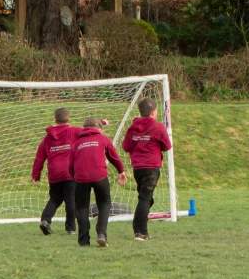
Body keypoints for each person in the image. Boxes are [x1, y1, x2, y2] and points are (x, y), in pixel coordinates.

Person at [71, 116, 125, 248]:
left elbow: (70, 164)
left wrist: (75, 177)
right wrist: (121, 171)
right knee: (104, 203)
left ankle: (84, 240)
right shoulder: (102, 138)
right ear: (100, 129)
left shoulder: (77, 143)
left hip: (81, 178)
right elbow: (113, 156)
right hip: (100, 176)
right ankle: (101, 234)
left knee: (82, 207)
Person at [124, 99, 174, 241]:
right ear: (153, 112)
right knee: (145, 198)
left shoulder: (132, 128)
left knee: (146, 198)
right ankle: (141, 232)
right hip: (151, 167)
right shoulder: (158, 127)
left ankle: (139, 224)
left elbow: (126, 146)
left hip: (137, 168)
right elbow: (167, 146)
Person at [31, 107, 80, 235]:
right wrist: (101, 123)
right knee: (70, 199)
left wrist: (35, 174)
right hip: (69, 172)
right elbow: (89, 131)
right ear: (68, 119)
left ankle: (45, 220)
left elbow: (39, 158)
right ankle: (71, 228)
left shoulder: (47, 138)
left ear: (55, 119)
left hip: (54, 174)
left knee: (55, 198)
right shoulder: (74, 131)